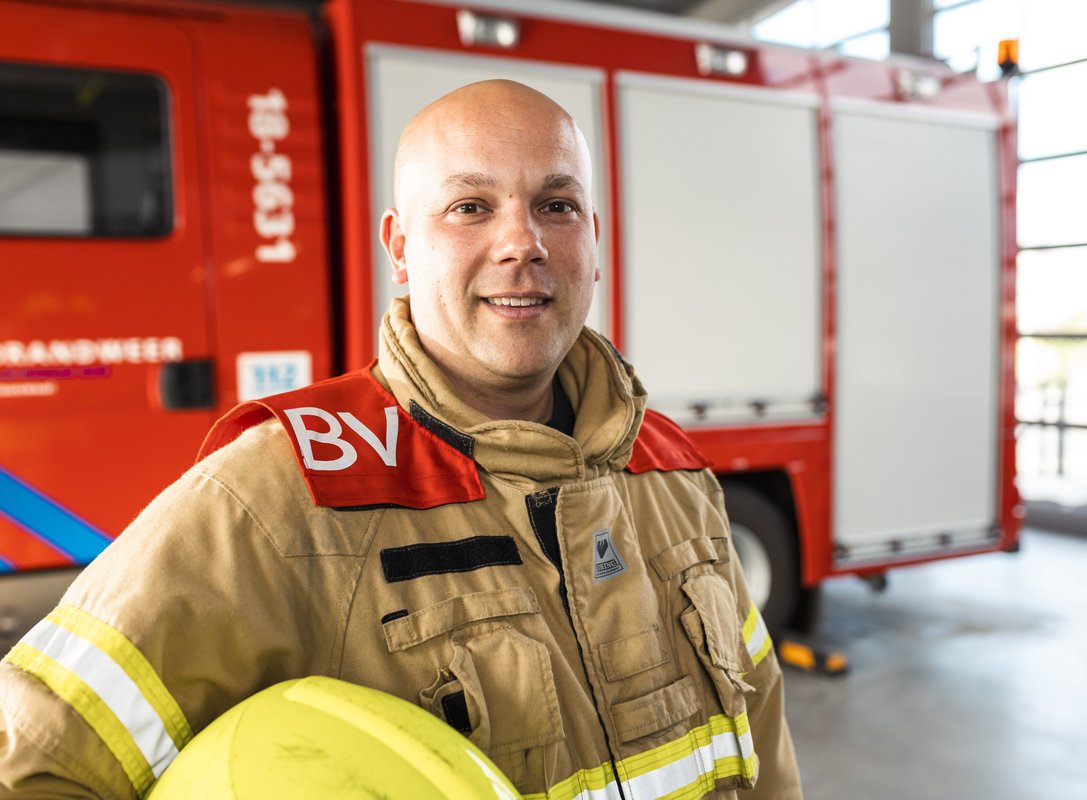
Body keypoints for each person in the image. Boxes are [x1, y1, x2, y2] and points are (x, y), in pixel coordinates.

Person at [0, 80, 802, 799]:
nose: (523, 242)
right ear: (399, 249)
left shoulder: (672, 472)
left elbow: (765, 747)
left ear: (592, 236)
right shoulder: (284, 494)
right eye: (470, 207)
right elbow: (34, 762)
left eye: (555, 205)